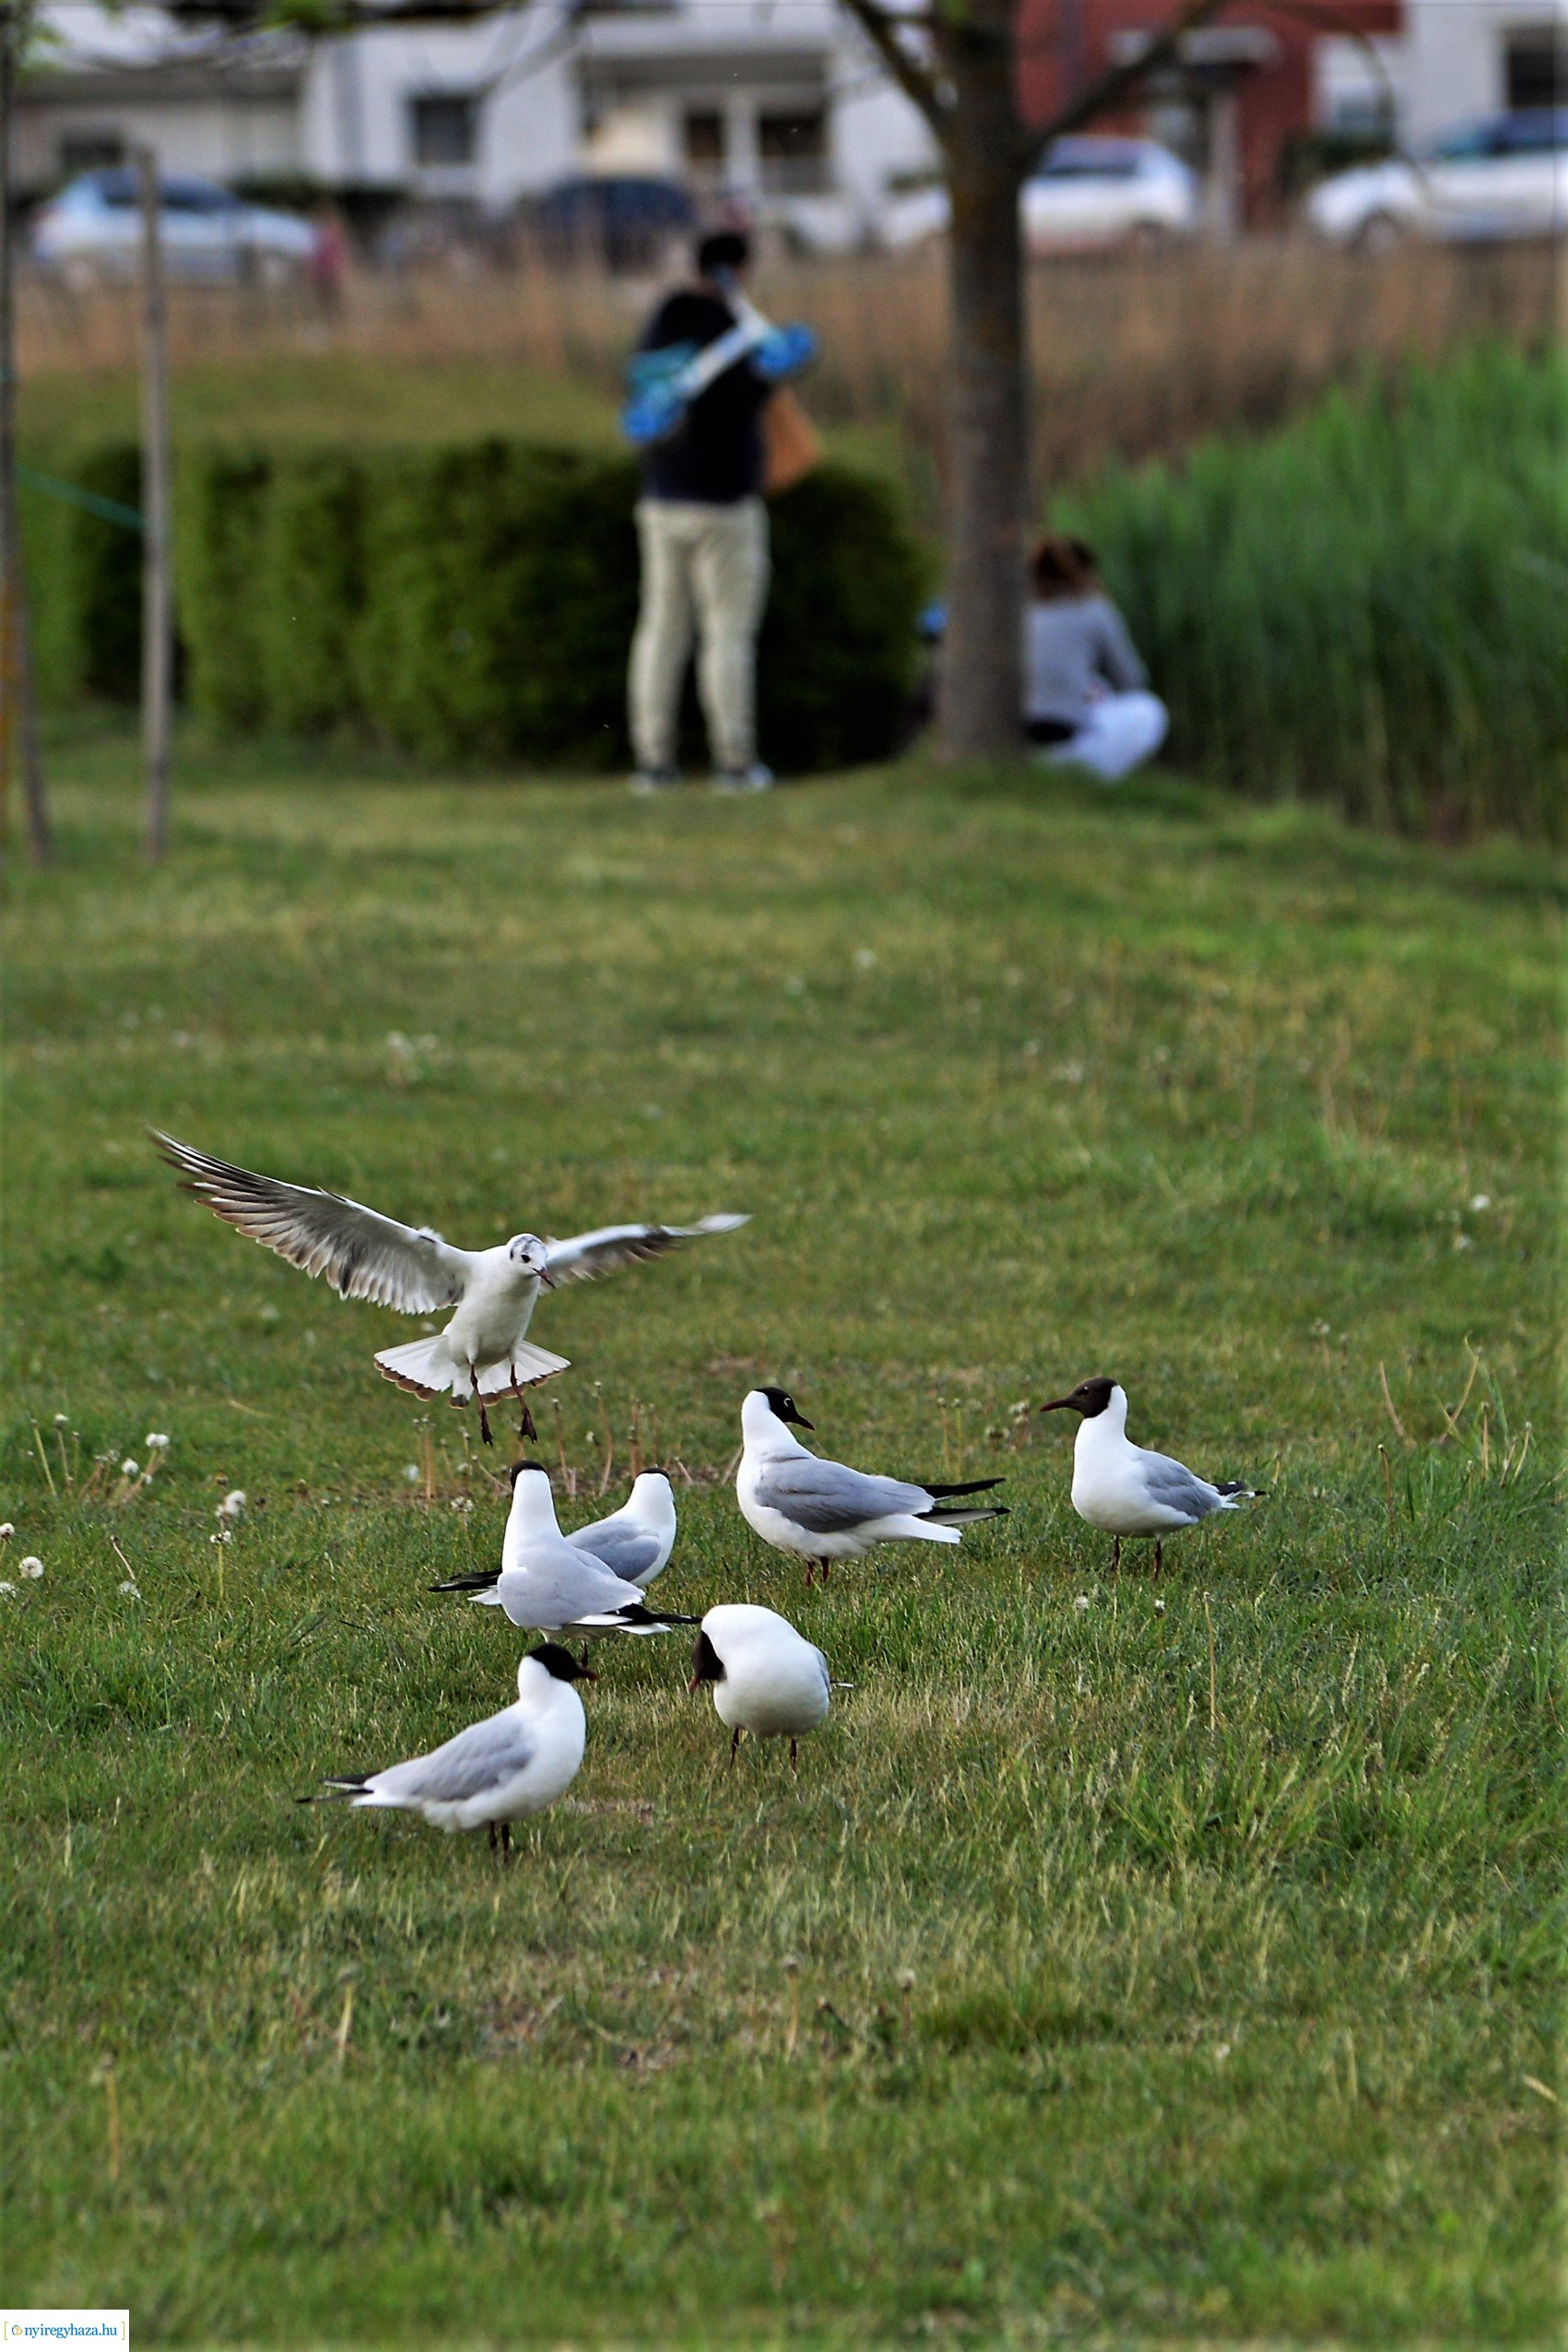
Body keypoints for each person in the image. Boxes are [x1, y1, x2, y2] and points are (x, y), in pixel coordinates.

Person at [627, 230, 775, 796]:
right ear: (738, 269)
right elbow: (742, 400)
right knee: (728, 633)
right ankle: (734, 761)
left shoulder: (662, 320)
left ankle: (653, 760)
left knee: (661, 630)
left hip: (662, 497)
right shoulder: (733, 327)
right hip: (725, 503)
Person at [1022, 535, 1169, 783]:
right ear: (1085, 572)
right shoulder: (1094, 609)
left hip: (1017, 741)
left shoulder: (1017, 609)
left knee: (1093, 688)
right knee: (1149, 710)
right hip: (1066, 740)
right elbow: (1132, 679)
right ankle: (1091, 782)